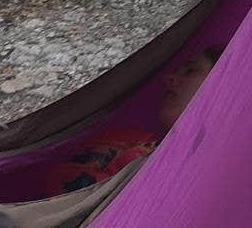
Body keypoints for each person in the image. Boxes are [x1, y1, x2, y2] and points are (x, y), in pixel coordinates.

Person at [38, 48, 221, 197]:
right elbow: (60, 191)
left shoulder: (222, 172)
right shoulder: (124, 142)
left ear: (224, 83)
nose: (168, 79)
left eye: (190, 71)